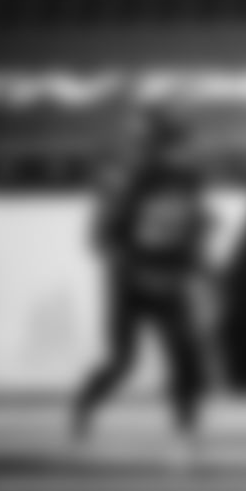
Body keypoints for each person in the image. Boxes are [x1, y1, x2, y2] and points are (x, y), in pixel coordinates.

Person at [70, 107, 217, 466]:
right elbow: (101, 240)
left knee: (187, 356)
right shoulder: (128, 181)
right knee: (122, 361)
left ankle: (186, 432)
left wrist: (198, 267)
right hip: (131, 284)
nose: (185, 151)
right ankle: (84, 406)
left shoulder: (189, 179)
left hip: (169, 279)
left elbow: (196, 228)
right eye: (177, 144)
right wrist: (137, 269)